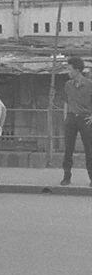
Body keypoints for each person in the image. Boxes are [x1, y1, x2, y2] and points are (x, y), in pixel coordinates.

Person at [60, 56, 92, 186]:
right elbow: (66, 102)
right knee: (68, 149)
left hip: (85, 119)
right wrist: (66, 118)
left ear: (77, 70)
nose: (68, 72)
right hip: (71, 118)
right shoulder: (68, 85)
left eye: (70, 69)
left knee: (89, 149)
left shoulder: (89, 85)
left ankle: (91, 177)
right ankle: (66, 176)